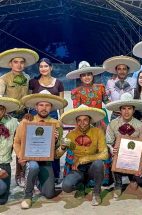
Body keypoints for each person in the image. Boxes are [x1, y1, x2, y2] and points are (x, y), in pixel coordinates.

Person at [13, 90, 68, 209]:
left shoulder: (56, 124)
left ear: (51, 107)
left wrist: (60, 145)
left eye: (47, 105)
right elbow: (17, 142)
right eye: (41, 105)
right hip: (29, 160)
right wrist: (20, 156)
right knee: (33, 166)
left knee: (49, 194)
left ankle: (37, 180)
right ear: (36, 107)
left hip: (46, 161)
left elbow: (56, 155)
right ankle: (28, 196)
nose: (44, 108)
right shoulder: (27, 121)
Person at [0, 48, 39, 186]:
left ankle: (20, 174)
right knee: (6, 145)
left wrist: (28, 111)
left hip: (23, 116)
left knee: (21, 144)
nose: (19, 65)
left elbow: (27, 97)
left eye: (22, 62)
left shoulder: (28, 78)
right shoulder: (3, 79)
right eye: (15, 62)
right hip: (8, 116)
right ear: (10, 64)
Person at [57, 105, 109, 206]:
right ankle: (81, 185)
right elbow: (58, 155)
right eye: (79, 120)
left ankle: (96, 193)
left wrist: (83, 159)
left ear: (90, 120)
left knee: (99, 164)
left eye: (85, 120)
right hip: (78, 169)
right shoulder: (70, 135)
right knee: (66, 187)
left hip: (92, 167)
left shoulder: (98, 132)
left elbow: (105, 154)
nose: (82, 123)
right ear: (76, 121)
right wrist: (62, 148)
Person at [105, 93, 142, 199]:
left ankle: (133, 179)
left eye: (129, 108)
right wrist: (112, 149)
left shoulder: (140, 126)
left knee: (140, 181)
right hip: (119, 158)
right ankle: (118, 185)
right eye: (123, 108)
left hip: (135, 160)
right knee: (113, 157)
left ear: (133, 110)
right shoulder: (113, 124)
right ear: (119, 110)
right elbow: (108, 142)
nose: (126, 111)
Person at [29, 57, 65, 182]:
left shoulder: (59, 83)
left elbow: (61, 104)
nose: (43, 68)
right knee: (36, 143)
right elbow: (29, 101)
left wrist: (61, 119)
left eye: (45, 66)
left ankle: (55, 174)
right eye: (41, 66)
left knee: (54, 144)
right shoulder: (33, 82)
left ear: (51, 67)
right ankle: (36, 173)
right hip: (36, 116)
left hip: (53, 116)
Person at [67, 61, 108, 130]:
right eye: (83, 75)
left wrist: (117, 107)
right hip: (84, 124)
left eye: (88, 74)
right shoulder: (76, 92)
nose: (86, 77)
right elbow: (77, 111)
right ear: (80, 78)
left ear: (92, 75)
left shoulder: (100, 88)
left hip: (99, 122)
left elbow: (107, 101)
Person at [0, 97, 20, 205]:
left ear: (4, 110)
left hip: (5, 164)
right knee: (2, 187)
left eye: (0, 109)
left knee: (3, 200)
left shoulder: (13, 122)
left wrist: (27, 120)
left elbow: (24, 131)